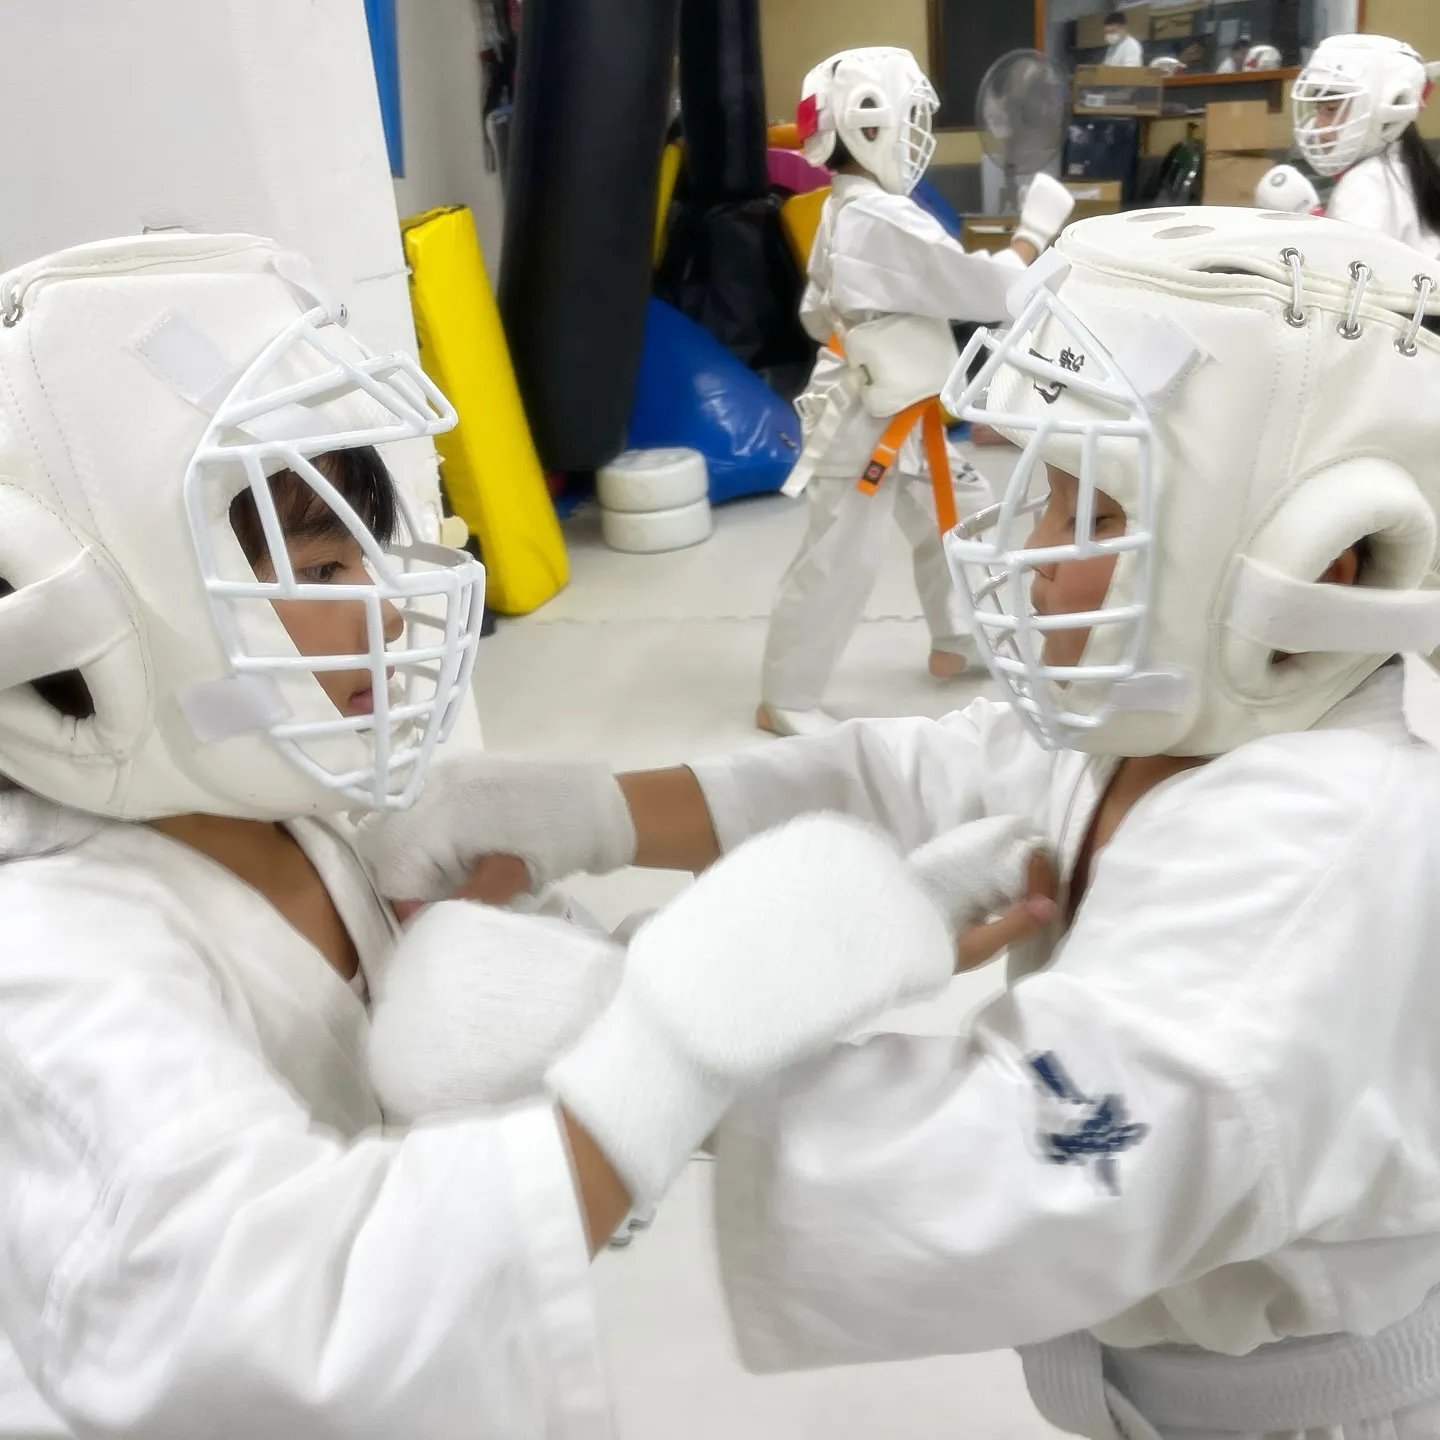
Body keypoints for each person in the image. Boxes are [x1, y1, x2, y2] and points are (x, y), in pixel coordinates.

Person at [360, 207, 1440, 1439]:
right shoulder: (1186, 721)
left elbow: (1007, 1170)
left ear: (1325, 562)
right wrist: (591, 811)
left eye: (1083, 512)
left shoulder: (1325, 847)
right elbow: (910, 772)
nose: (1021, 550)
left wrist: (624, 1033)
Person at [0, 231, 1050, 1439]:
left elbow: (477, 1076)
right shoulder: (54, 958)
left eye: (371, 548)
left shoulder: (278, 809)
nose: (390, 601)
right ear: (105, 609)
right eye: (329, 562)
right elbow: (272, 1336)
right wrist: (674, 1047)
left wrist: (768, 965)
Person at [760, 45, 1075, 737]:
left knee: (960, 517)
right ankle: (786, 695)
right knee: (841, 556)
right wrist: (1036, 233)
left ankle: (956, 638)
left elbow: (817, 309)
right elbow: (989, 290)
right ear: (869, 125)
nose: (914, 140)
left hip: (898, 406)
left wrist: (878, 324)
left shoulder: (840, 208)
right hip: (866, 416)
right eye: (909, 122)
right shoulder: (882, 216)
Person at [1289, 32, 1440, 257]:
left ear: (1389, 105)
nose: (1318, 126)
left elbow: (1339, 280)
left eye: (1331, 110)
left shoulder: (1363, 186)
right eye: (1317, 110)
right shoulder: (1409, 165)